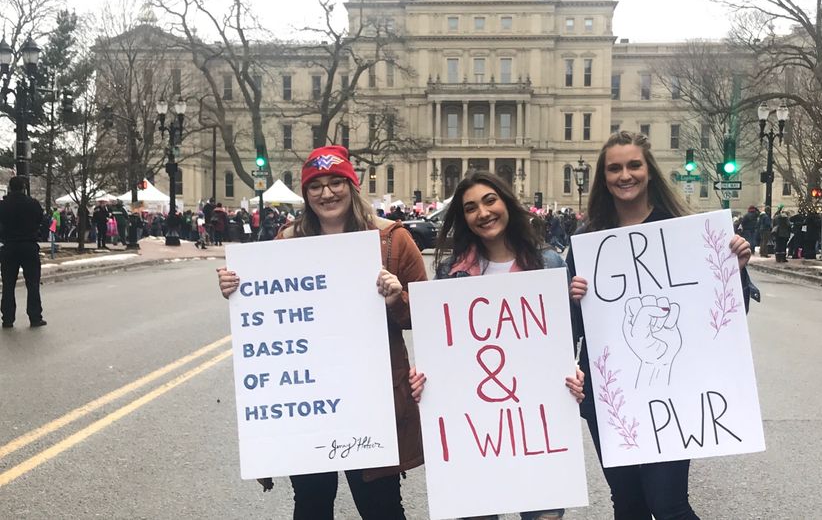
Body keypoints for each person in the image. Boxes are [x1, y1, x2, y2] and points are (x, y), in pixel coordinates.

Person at [216, 145, 425, 519]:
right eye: (316, 186)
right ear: (306, 194)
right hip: (309, 398)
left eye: (335, 183)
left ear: (352, 185)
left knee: (381, 507)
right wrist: (237, 288)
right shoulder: (287, 242)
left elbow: (425, 318)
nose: (326, 193)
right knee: (311, 504)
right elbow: (268, 309)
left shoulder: (393, 240)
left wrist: (397, 298)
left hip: (371, 400)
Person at [565, 131, 752, 519]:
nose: (625, 175)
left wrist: (735, 272)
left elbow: (725, 318)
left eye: (634, 165)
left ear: (649, 171)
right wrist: (571, 299)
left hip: (672, 393)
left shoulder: (685, 231)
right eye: (614, 168)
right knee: (629, 505)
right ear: (604, 177)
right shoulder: (587, 242)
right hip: (609, 396)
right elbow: (574, 332)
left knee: (668, 506)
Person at [408, 171, 584, 520]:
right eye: (470, 207)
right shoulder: (450, 272)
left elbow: (564, 340)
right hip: (475, 427)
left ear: (507, 202)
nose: (483, 213)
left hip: (536, 423)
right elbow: (445, 349)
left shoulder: (548, 262)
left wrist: (573, 374)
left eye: (490, 201)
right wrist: (425, 379)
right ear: (463, 218)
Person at [1, 176, 47, 328]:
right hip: (28, 245)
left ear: (10, 187)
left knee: (8, 284)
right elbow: (41, 220)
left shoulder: (3, 205)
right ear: (23, 188)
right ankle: (35, 317)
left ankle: (7, 318)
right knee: (33, 284)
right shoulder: (32, 204)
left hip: (9, 246)